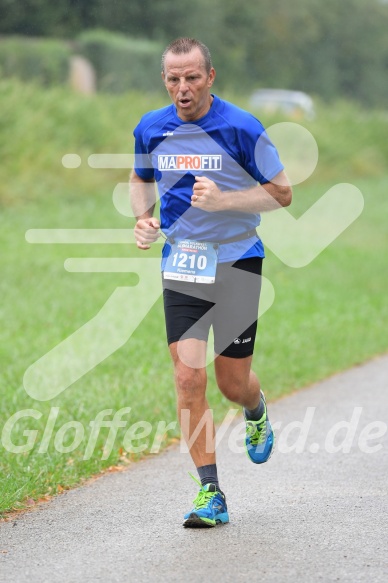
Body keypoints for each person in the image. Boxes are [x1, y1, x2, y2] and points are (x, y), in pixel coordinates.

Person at [130, 37, 292, 528]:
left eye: (192, 78)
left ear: (210, 77)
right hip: (183, 263)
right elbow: (140, 178)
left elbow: (281, 193)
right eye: (174, 79)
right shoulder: (151, 128)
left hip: (239, 260)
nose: (183, 88)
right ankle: (210, 492)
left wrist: (225, 201)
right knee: (186, 376)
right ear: (165, 80)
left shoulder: (241, 127)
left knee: (231, 382)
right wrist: (143, 217)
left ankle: (255, 406)